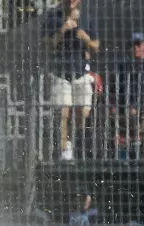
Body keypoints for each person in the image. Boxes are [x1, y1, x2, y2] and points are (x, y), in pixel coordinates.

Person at [41, 0, 100, 161]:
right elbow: (46, 44)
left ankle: (73, 143)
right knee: (63, 113)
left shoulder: (87, 19)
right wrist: (61, 31)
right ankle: (65, 149)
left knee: (82, 113)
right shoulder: (53, 17)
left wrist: (86, 38)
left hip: (81, 72)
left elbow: (96, 46)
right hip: (60, 73)